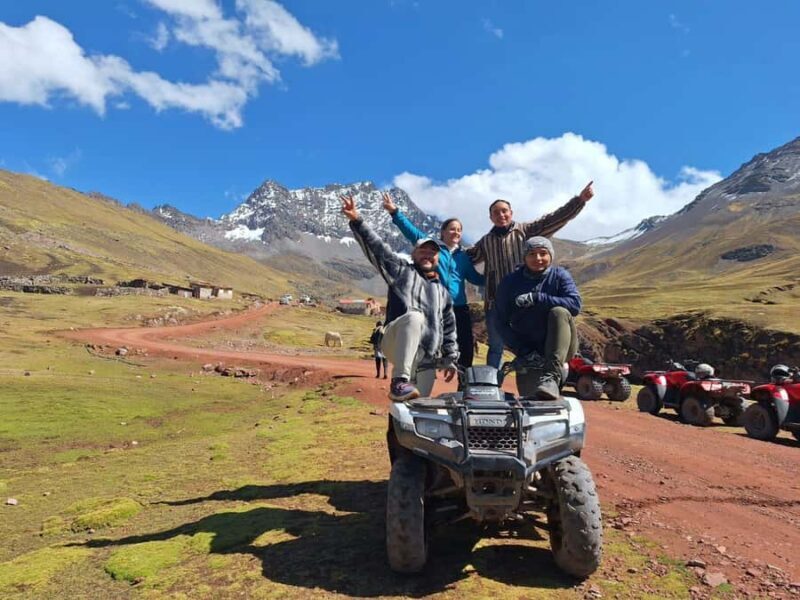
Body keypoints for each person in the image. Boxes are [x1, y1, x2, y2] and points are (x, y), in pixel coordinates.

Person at [341, 194, 458, 401]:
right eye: (423, 251)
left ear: (438, 258)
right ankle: (399, 379)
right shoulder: (402, 272)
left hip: (426, 358)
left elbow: (449, 328)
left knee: (416, 405)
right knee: (415, 317)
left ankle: (399, 421)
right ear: (414, 254)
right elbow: (379, 250)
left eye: (432, 253)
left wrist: (450, 357)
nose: (428, 255)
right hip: (395, 343)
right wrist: (357, 220)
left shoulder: (443, 293)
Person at [467, 182, 594, 368]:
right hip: (496, 302)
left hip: (527, 300)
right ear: (490, 217)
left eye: (504, 211)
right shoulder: (485, 242)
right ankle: (493, 388)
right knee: (496, 346)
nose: (501, 215)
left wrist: (579, 201)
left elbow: (553, 219)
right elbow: (466, 258)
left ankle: (543, 376)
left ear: (511, 213)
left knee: (533, 341)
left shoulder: (526, 231)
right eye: (496, 212)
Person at [382, 192, 484, 370]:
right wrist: (395, 213)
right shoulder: (434, 250)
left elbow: (475, 278)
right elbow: (411, 232)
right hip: (434, 306)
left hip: (460, 308)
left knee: (466, 347)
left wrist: (497, 277)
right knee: (427, 344)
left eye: (459, 230)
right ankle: (417, 377)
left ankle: (464, 384)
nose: (456, 232)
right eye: (452, 229)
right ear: (442, 232)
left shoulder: (464, 257)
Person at [495, 236, 581, 399]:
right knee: (532, 402)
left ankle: (552, 375)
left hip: (560, 349)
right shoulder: (510, 282)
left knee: (559, 312)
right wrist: (522, 350)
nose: (538, 259)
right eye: (532, 254)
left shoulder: (560, 276)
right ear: (524, 257)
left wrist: (539, 298)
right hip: (528, 353)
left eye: (543, 253)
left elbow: (575, 305)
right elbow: (500, 321)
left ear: (550, 255)